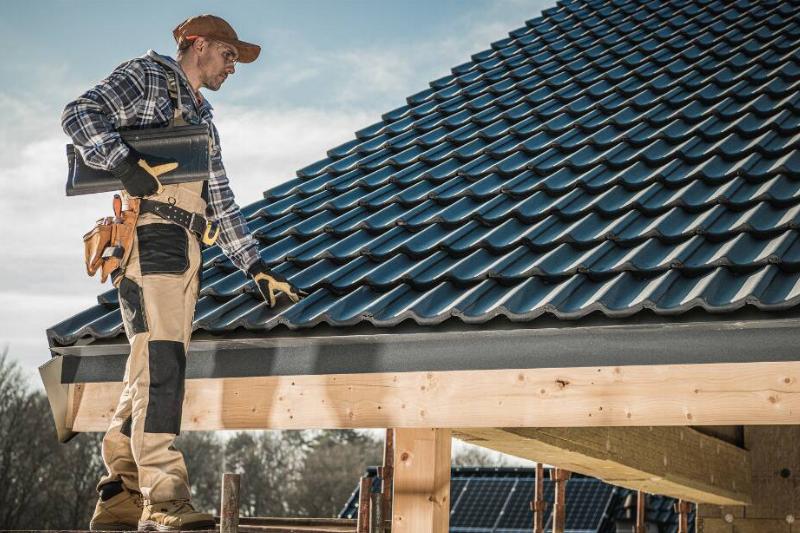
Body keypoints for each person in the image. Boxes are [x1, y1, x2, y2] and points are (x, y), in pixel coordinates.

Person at [61, 14, 305, 531]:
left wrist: (256, 267)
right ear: (197, 45)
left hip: (186, 246)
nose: (233, 67)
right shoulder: (148, 77)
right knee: (164, 365)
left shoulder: (203, 119)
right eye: (229, 54)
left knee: (147, 369)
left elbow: (221, 199)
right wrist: (124, 163)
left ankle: (121, 493)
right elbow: (79, 114)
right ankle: (165, 497)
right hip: (152, 239)